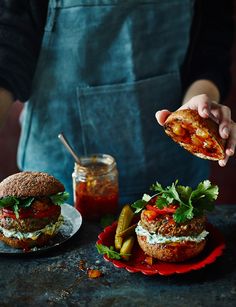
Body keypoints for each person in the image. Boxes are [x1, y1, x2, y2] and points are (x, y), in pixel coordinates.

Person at [0, 0, 235, 205]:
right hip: (63, 176)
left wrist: (198, 111)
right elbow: (8, 51)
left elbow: (211, 48)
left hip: (171, 173)